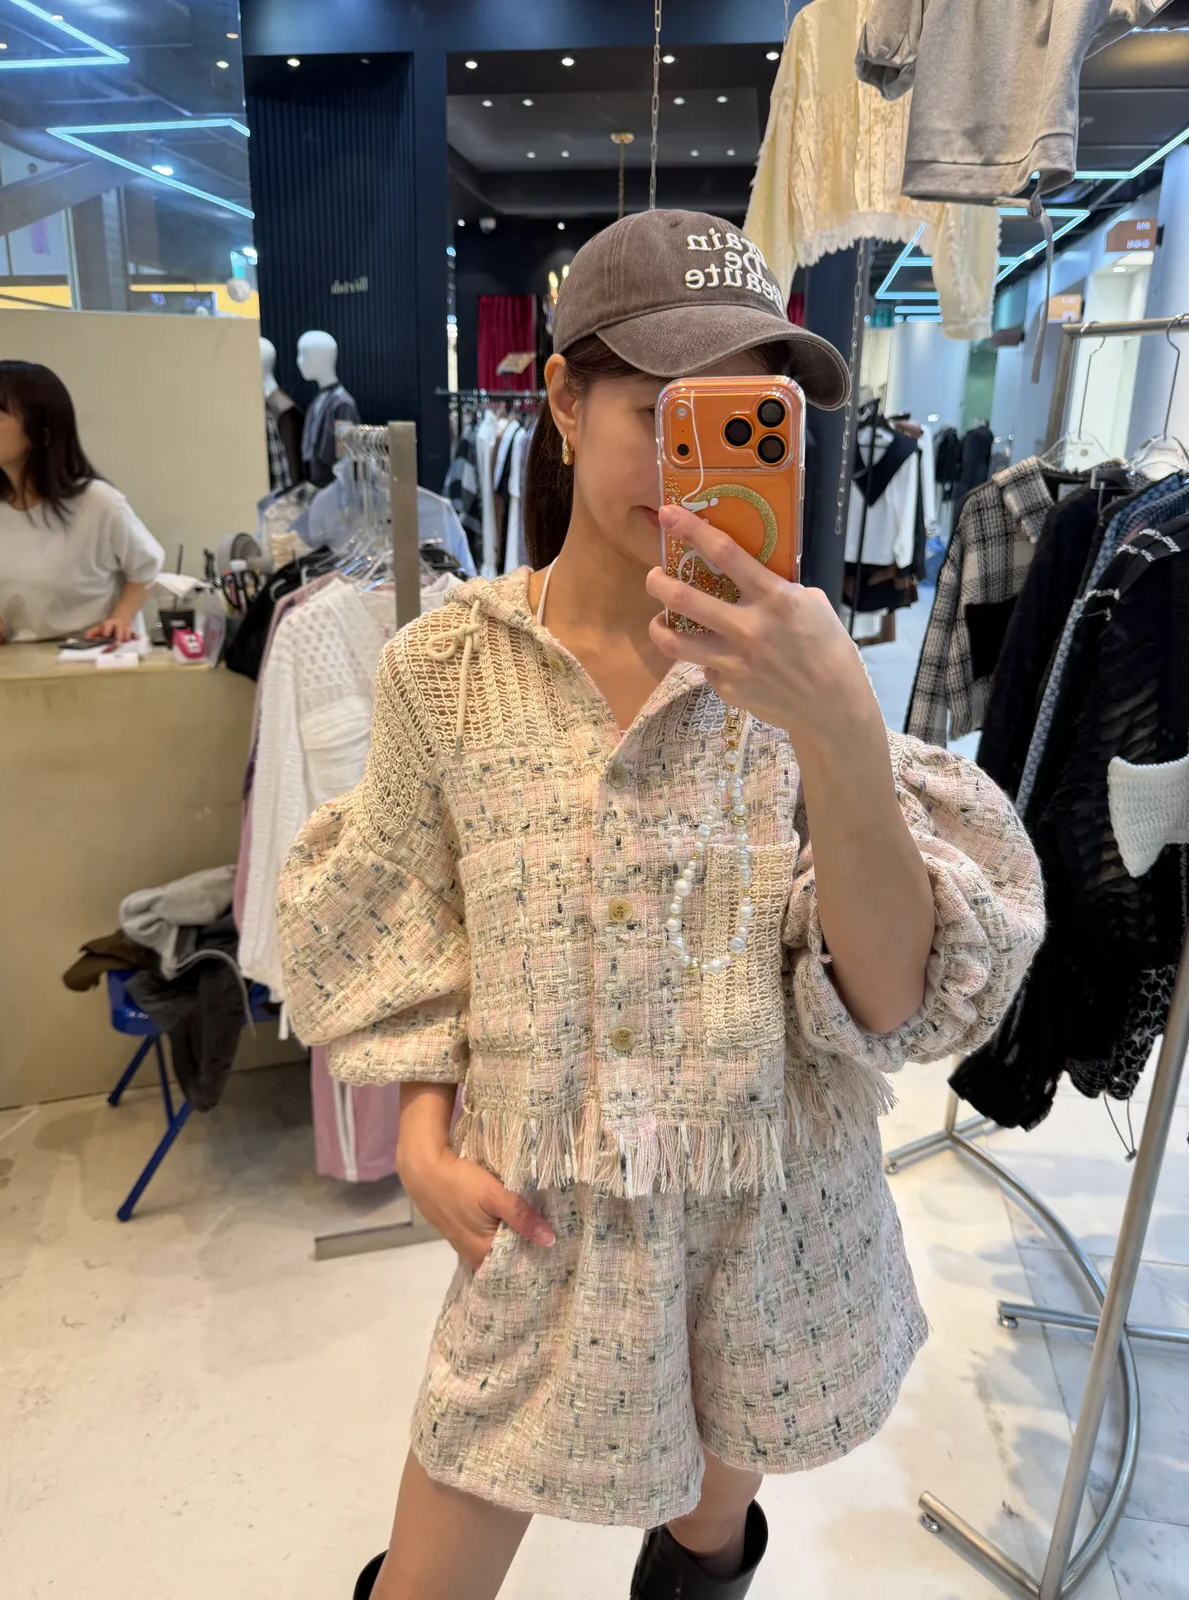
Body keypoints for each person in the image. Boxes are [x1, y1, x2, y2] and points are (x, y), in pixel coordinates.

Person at [278, 209, 1043, 1600]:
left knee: (704, 1541)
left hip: (768, 1221)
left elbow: (887, 1000)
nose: (700, 465)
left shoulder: (803, 677)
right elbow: (417, 923)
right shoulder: (449, 671)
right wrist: (425, 1135)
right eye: (665, 414)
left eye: (747, 420)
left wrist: (839, 735)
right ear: (563, 402)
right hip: (543, 1219)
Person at [0, 360, 164, 645]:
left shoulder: (98, 503)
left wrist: (120, 618)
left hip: (90, 657)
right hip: (15, 663)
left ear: (40, 433)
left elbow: (147, 568)